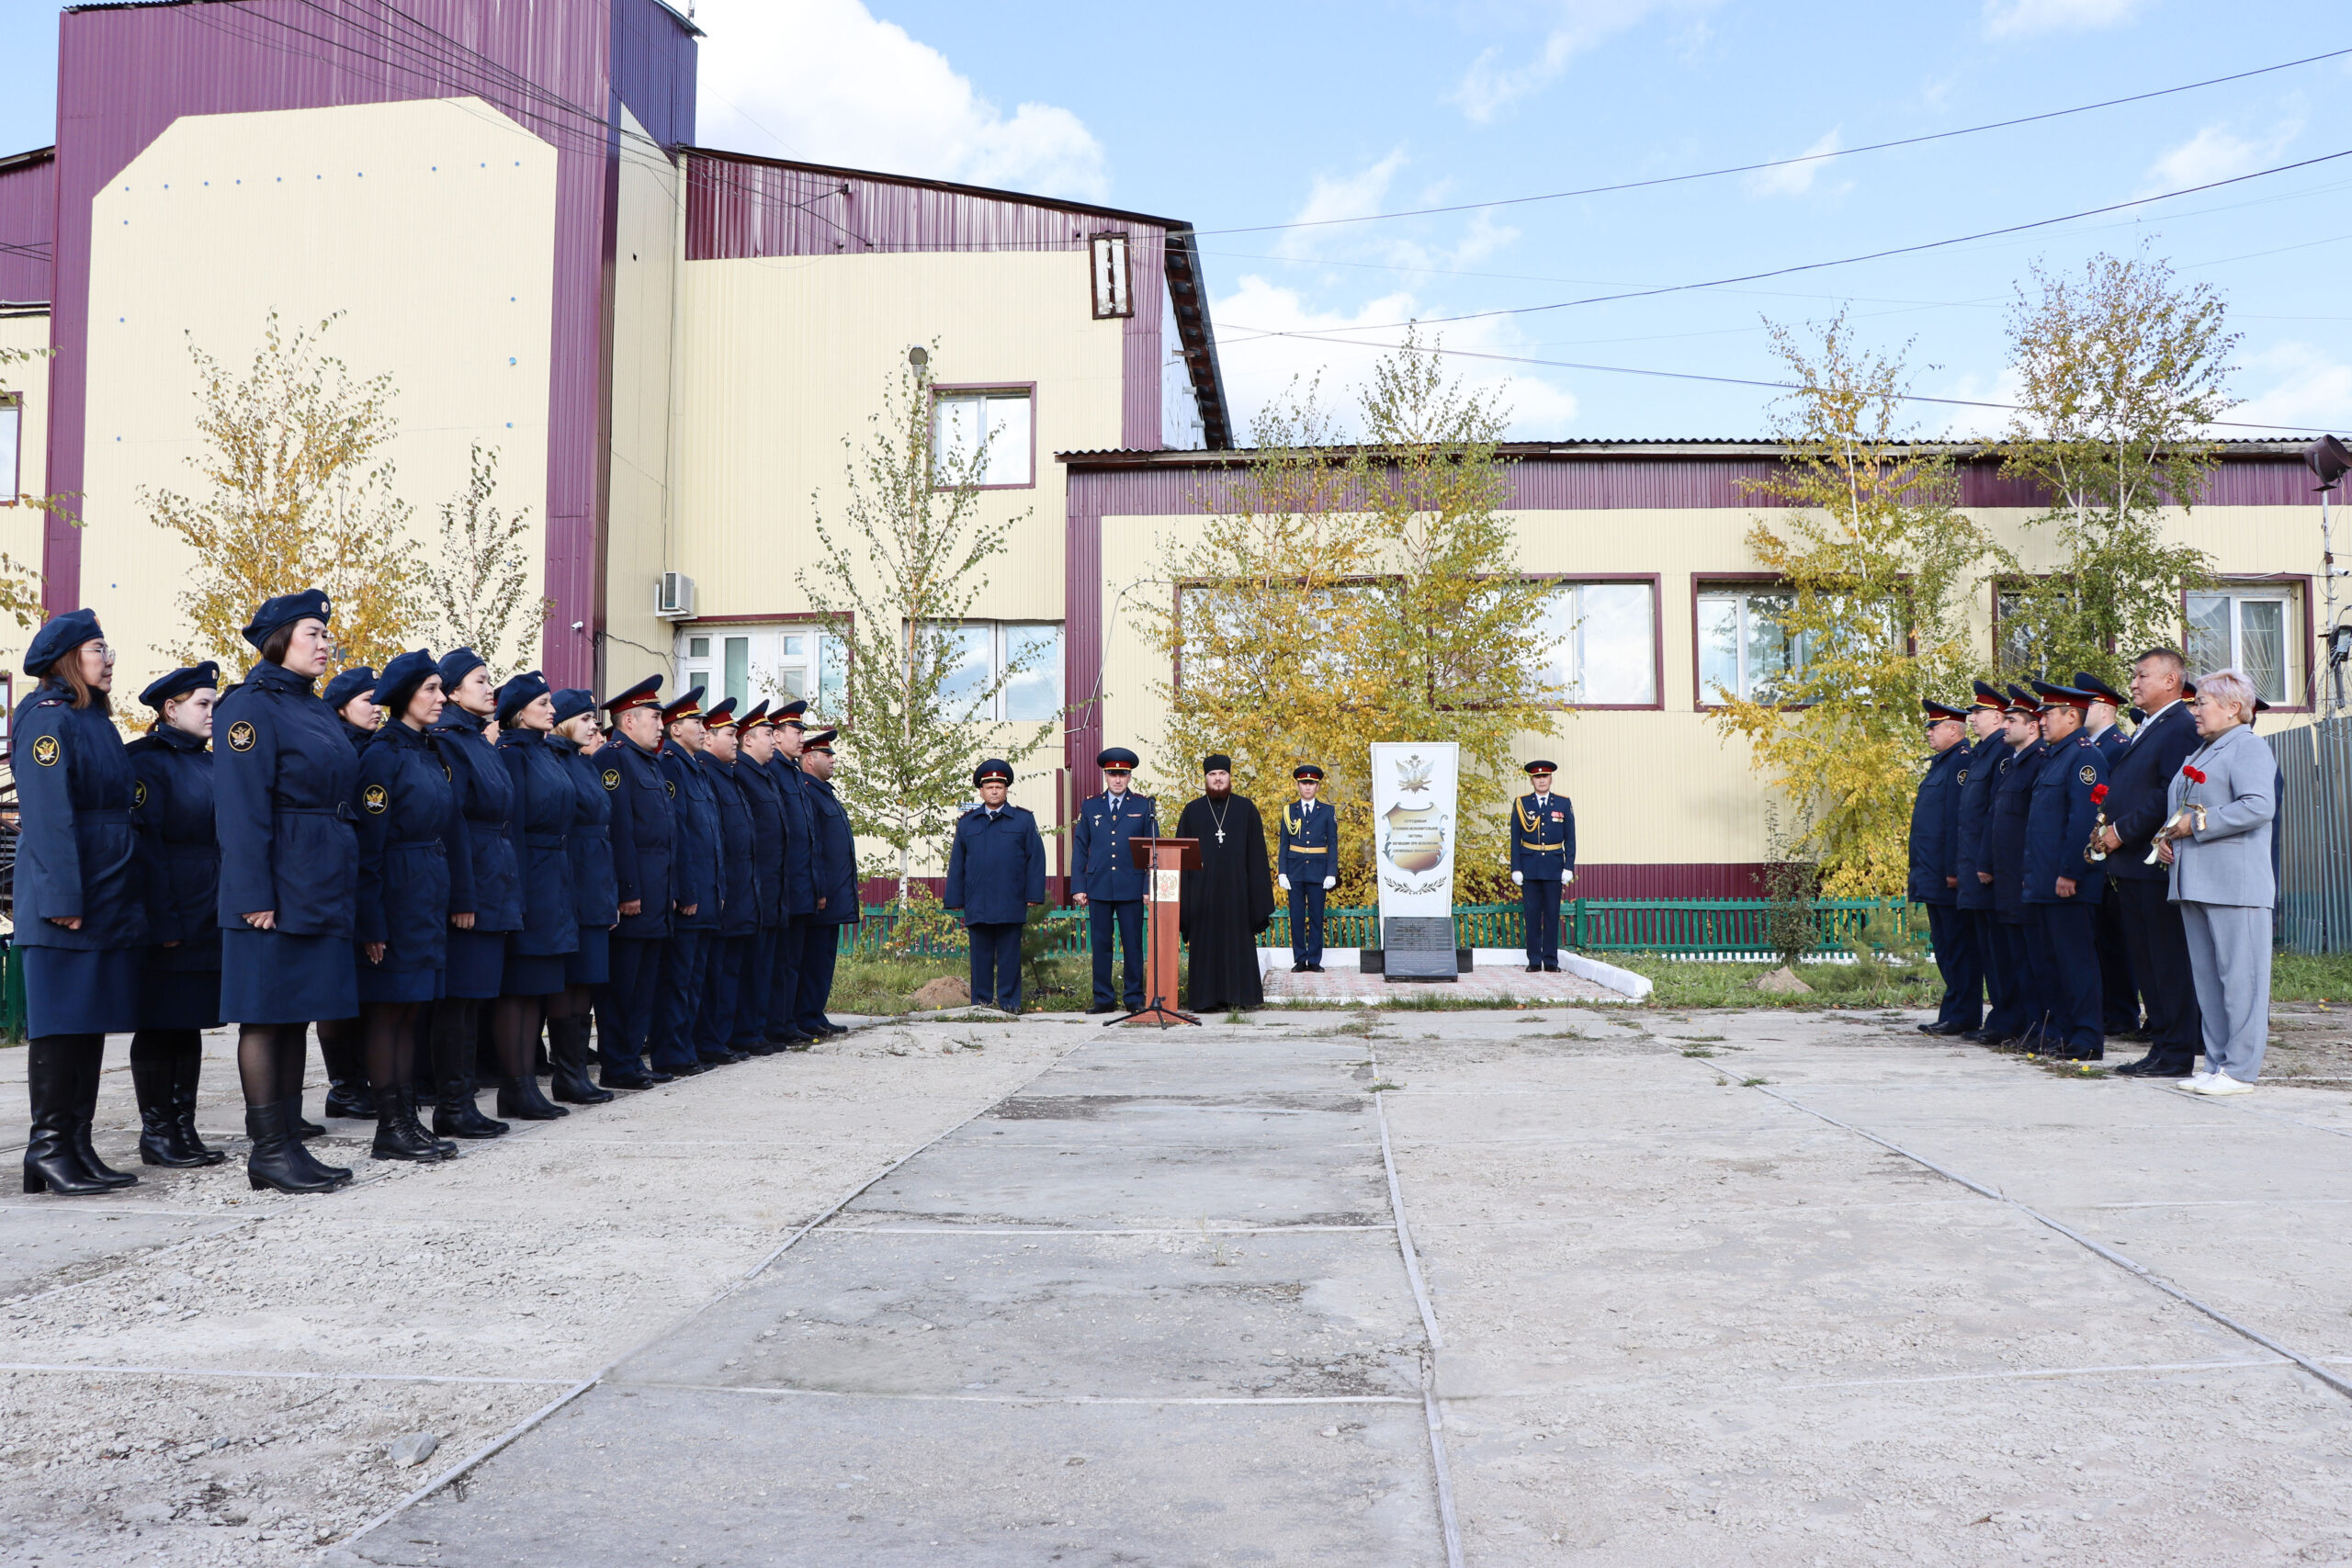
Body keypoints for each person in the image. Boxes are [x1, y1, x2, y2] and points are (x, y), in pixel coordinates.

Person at [213, 590, 358, 1193]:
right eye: (312, 634)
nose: (325, 644)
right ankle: (268, 1150)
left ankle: (289, 1144)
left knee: (295, 1013)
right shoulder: (248, 709)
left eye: (327, 634)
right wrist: (253, 893)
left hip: (318, 880)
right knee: (267, 1018)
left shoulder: (316, 707)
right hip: (274, 886)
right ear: (278, 641)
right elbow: (242, 809)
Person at [16, 611, 152, 1195]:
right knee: (61, 1025)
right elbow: (48, 816)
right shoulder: (47, 719)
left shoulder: (91, 719)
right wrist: (65, 896)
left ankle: (75, 1142)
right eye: (99, 648)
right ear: (68, 657)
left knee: (88, 1023)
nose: (109, 658)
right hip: (66, 894)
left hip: (105, 887)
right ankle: (48, 1147)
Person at [352, 649, 469, 1161]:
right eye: (431, 690)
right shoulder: (382, 756)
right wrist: (372, 921)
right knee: (389, 1012)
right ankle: (390, 1125)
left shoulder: (427, 752)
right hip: (396, 892)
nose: (441, 699)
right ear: (404, 698)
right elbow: (369, 847)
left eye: (442, 689)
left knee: (412, 1011)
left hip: (425, 889)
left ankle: (408, 1120)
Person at [2156, 669, 2277, 1095]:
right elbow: (2180, 813)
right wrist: (2165, 839)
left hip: (2235, 884)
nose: (2195, 711)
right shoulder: (2201, 752)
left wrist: (2197, 825)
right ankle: (2217, 1063)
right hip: (2195, 881)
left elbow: (2259, 806)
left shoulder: (2247, 747)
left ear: (2232, 707)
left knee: (2241, 978)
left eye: (2202, 702)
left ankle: (2241, 1070)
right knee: (2209, 979)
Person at [126, 661, 227, 1169]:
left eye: (215, 703)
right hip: (169, 909)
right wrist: (161, 922)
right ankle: (158, 1133)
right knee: (160, 1021)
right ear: (170, 709)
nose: (213, 713)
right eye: (202, 704)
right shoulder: (145, 762)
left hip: (208, 907)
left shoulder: (213, 763)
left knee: (188, 1020)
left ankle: (183, 1127)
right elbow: (147, 850)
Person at [2095, 649, 2203, 1077]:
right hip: (2131, 865)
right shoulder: (2150, 726)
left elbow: (2167, 795)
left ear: (2171, 681)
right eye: (2134, 676)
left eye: (2143, 676)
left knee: (2166, 960)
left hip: (2153, 862)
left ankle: (2177, 1051)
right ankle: (2162, 1046)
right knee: (2147, 961)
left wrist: (2123, 831)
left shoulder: (2178, 727)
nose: (2134, 684)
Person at [425, 648, 520, 1139]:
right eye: (480, 681)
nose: (491, 689)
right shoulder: (450, 742)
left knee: (473, 999)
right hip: (471, 882)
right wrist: (463, 895)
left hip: (492, 876)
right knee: (457, 1000)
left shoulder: (478, 741)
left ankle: (461, 1101)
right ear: (454, 691)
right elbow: (453, 821)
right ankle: (452, 1103)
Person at [492, 671, 579, 1120]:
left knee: (538, 986)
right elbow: (516, 827)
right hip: (529, 876)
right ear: (519, 710)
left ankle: (526, 1084)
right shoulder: (511, 754)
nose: (552, 709)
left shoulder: (542, 753)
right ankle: (516, 1085)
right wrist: (519, 893)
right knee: (518, 989)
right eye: (543, 703)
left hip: (553, 876)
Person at [2018, 681, 2109, 1061]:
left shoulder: (2085, 759)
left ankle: (2087, 1037)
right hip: (2044, 882)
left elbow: (2084, 820)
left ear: (2072, 716)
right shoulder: (2055, 756)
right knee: (2051, 965)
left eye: (2047, 714)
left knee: (2076, 963)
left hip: (2068, 883)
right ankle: (2061, 1033)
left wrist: (2071, 871)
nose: (2040, 720)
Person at [599, 676, 672, 1089]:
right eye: (654, 717)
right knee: (622, 986)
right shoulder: (614, 759)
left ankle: (631, 1059)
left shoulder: (648, 762)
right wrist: (628, 890)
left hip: (657, 895)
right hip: (635, 896)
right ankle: (617, 1063)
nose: (661, 725)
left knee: (644, 984)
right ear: (628, 720)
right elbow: (619, 831)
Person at [548, 688, 618, 1102]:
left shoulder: (583, 763)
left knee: (587, 980)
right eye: (587, 718)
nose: (595, 725)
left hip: (594, 881)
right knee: (569, 980)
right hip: (571, 880)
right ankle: (566, 1072)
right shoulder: (558, 761)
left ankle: (576, 1071)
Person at [316, 664, 379, 1119]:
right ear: (342, 707)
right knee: (339, 993)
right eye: (366, 700)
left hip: (368, 874)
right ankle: (345, 1085)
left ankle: (363, 1080)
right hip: (342, 876)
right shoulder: (339, 748)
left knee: (365, 990)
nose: (377, 709)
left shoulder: (374, 747)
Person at [1973, 687, 2048, 1047]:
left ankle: (2036, 1026)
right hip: (2005, 875)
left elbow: (2035, 826)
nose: (2004, 725)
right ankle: (2020, 1023)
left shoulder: (2038, 762)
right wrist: (1987, 861)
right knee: (2013, 957)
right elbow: (1995, 818)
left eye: (2012, 720)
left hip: (2024, 876)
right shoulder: (2015, 762)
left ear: (2033, 727)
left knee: (2032, 961)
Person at [653, 688, 721, 1075]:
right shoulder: (671, 766)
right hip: (689, 895)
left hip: (708, 892)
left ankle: (687, 1047)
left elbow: (709, 837)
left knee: (694, 978)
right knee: (677, 979)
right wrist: (686, 890)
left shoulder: (695, 768)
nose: (703, 727)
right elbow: (677, 834)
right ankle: (670, 1052)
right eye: (696, 722)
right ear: (676, 728)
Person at [944, 759, 1046, 1011]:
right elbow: (958, 862)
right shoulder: (967, 823)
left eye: (999, 785)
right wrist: (955, 900)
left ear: (1006, 789)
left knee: (1010, 956)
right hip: (978, 901)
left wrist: (1033, 894)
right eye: (989, 785)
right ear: (980, 790)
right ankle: (981, 1003)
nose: (994, 790)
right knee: (980, 957)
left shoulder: (1022, 820)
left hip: (1010, 899)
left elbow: (1036, 858)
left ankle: (1010, 1003)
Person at [1174, 754, 1273, 1012]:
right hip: (1202, 894)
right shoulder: (1192, 811)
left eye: (1222, 774)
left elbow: (1258, 856)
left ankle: (1238, 997)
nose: (1217, 779)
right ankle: (1205, 1000)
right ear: (1205, 778)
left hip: (1237, 893)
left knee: (1237, 943)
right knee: (1205, 944)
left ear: (1230, 777)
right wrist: (1185, 901)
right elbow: (1180, 857)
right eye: (1212, 775)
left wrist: (1257, 896)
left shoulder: (1246, 809)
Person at [2075, 671, 2142, 1039]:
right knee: (2103, 939)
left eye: (2084, 704)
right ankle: (2112, 1011)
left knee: (2116, 942)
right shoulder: (2098, 745)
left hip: (2114, 857)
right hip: (2101, 855)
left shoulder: (2115, 745)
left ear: (2101, 707)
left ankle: (2122, 1013)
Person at [694, 698, 759, 1066]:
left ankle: (721, 1038)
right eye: (730, 733)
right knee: (714, 975)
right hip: (721, 892)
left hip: (737, 892)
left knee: (729, 971)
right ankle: (710, 1040)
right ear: (709, 739)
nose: (736, 739)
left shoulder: (726, 775)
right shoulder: (708, 774)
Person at [1909, 701, 1978, 1036]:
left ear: (1954, 729)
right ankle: (1954, 1010)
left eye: (1934, 727)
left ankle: (1963, 1013)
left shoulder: (1961, 764)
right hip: (1931, 873)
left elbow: (1957, 822)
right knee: (1946, 946)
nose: (1928, 733)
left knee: (1958, 946)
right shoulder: (1941, 765)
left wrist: (1954, 870)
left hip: (1947, 876)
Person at [1071, 746, 1155, 1014]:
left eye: (1123, 774)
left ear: (1130, 777)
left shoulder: (1143, 805)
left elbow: (1152, 850)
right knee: (1101, 945)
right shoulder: (1091, 805)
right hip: (1099, 886)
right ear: (1105, 776)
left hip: (1132, 887)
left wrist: (1147, 887)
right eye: (1112, 774)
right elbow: (1080, 847)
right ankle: (1104, 999)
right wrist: (1078, 887)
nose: (1117, 780)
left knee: (1133, 945)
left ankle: (1133, 998)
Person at [1951, 682, 2008, 1043]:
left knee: (1999, 951)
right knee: (1989, 949)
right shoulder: (1981, 754)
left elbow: (1993, 816)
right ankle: (1998, 1019)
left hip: (1988, 868)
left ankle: (2004, 1020)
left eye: (1978, 713)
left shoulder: (2000, 753)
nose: (1971, 719)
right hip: (1975, 864)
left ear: (1998, 717)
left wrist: (1985, 861)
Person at [732, 703, 790, 1055]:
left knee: (766, 965)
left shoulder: (764, 774)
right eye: (768, 734)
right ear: (748, 740)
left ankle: (757, 1028)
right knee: (752, 966)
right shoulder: (743, 774)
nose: (774, 740)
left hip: (772, 885)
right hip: (755, 886)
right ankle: (746, 1032)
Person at [794, 728, 858, 1038]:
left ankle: (815, 1012)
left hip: (833, 892)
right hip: (820, 893)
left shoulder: (823, 791)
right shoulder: (807, 791)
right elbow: (813, 846)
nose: (833, 759)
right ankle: (805, 1015)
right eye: (826, 754)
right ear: (809, 759)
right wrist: (818, 888)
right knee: (813, 957)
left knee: (824, 958)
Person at [765, 701, 820, 1048]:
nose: (801, 738)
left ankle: (787, 1019)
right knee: (779, 961)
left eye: (802, 731)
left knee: (792, 961)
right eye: (795, 732)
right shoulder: (773, 771)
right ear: (777, 735)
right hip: (782, 883)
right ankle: (776, 1022)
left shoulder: (795, 774)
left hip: (800, 883)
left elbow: (806, 835)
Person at [1510, 761, 1577, 974]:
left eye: (1545, 776)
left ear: (1551, 779)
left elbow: (1571, 839)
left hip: (1554, 867)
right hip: (1529, 866)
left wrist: (1568, 866)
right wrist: (1516, 868)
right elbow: (1515, 839)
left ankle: (1550, 961)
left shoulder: (1563, 803)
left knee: (1551, 915)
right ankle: (1534, 960)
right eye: (1537, 777)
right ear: (1531, 780)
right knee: (1531, 915)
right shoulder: (1521, 803)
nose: (1541, 780)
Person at [1278, 764, 1338, 975]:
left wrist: (1331, 872)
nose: (1308, 787)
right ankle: (1299, 959)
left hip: (1318, 871)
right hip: (1294, 871)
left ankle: (1314, 960)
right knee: (1296, 917)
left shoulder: (1328, 811)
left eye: (1311, 783)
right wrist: (1282, 871)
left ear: (1318, 786)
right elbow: (1284, 843)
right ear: (1298, 785)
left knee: (1315, 917)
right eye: (1304, 783)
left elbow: (1332, 843)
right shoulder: (1289, 811)